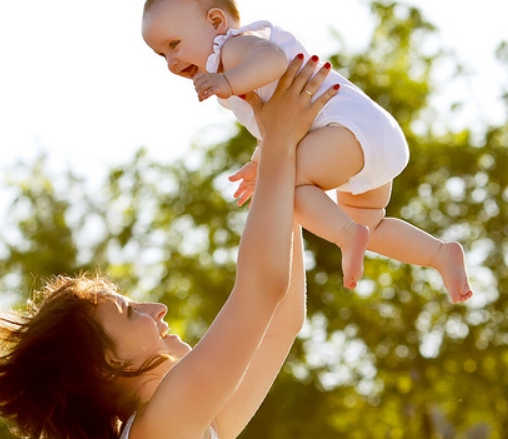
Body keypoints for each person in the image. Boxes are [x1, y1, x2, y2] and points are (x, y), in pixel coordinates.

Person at [0, 57, 338, 439]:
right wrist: (277, 143)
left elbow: (280, 325)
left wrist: (280, 168)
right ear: (105, 364)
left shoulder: (181, 427)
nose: (157, 309)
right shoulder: (160, 429)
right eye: (127, 312)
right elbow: (264, 291)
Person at [141, 0, 473, 303]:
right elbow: (273, 128)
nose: (171, 62)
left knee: (282, 189)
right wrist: (260, 162)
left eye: (174, 45)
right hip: (366, 135)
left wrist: (229, 82)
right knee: (371, 224)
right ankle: (439, 254)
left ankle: (345, 236)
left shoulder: (232, 48)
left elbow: (271, 60)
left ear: (215, 22)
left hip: (344, 130)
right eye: (161, 55)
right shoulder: (232, 69)